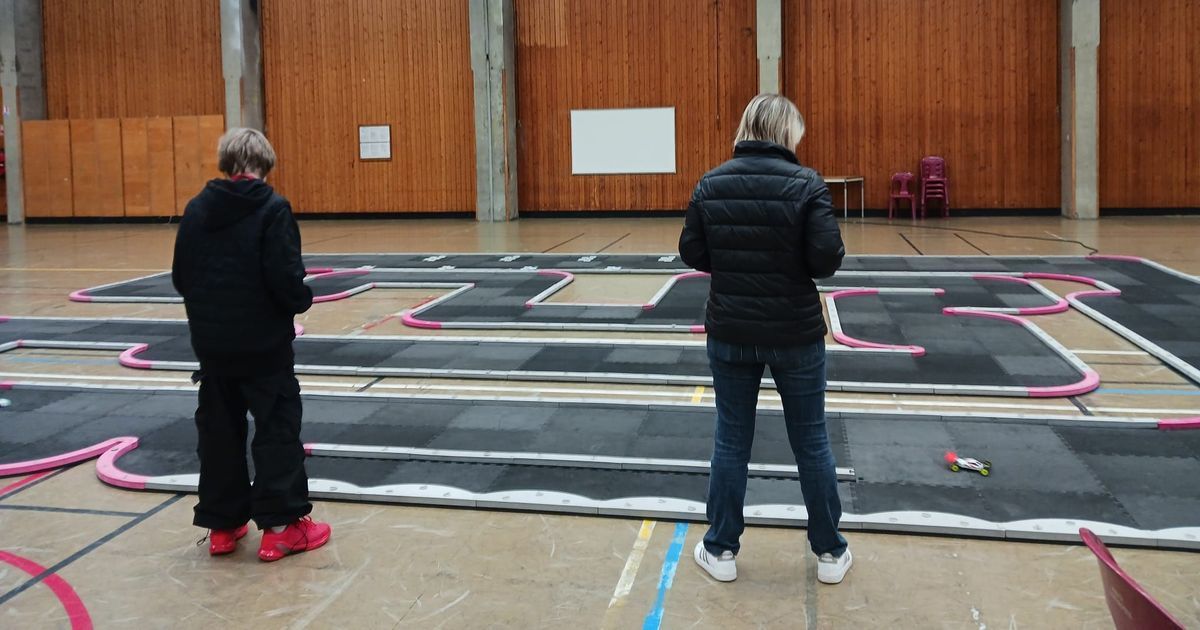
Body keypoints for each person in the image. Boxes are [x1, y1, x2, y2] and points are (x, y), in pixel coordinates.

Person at [679, 94, 851, 584]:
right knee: (811, 440)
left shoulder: (712, 182)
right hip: (795, 333)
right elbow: (826, 260)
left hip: (731, 330)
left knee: (731, 440)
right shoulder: (807, 183)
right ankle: (830, 554)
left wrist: (734, 266)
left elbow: (691, 249)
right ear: (785, 132)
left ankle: (721, 549)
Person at [172, 128, 331, 561]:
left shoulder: (196, 210)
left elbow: (180, 279)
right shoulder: (272, 209)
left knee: (219, 432)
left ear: (227, 163)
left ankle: (223, 524)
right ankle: (281, 527)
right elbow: (284, 279)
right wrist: (302, 299)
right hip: (264, 348)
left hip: (213, 349)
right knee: (277, 428)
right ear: (265, 164)